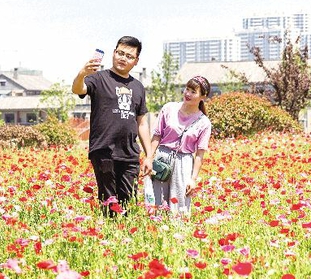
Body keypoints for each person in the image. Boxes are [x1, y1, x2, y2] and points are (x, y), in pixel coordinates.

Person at [72, 36, 153, 216]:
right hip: (104, 150)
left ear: (136, 61)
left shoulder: (138, 87)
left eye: (129, 56)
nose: (123, 58)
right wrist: (81, 74)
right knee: (110, 204)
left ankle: (127, 239)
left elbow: (142, 123)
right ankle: (110, 238)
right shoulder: (98, 78)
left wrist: (149, 155)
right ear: (114, 53)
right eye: (120, 53)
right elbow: (78, 90)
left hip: (130, 153)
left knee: (128, 202)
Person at [145, 76, 212, 217]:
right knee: (156, 201)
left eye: (193, 91)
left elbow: (199, 154)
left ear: (203, 97)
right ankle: (155, 231)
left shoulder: (204, 122)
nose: (187, 93)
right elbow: (156, 135)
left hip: (184, 163)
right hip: (162, 159)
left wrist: (193, 179)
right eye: (187, 89)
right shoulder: (169, 108)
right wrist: (149, 158)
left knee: (180, 205)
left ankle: (177, 235)